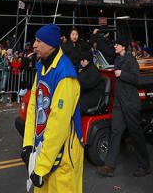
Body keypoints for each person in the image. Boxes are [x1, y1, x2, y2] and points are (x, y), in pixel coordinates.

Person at [21, 24, 83, 192]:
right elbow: (34, 107)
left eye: (38, 41)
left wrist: (41, 167)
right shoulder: (42, 66)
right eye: (35, 40)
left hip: (64, 158)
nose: (34, 45)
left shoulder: (65, 74)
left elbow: (59, 124)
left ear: (51, 45)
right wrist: (28, 144)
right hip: (44, 151)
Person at [99, 35, 151, 178]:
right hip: (119, 102)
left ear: (123, 46)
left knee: (135, 133)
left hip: (130, 102)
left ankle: (144, 166)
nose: (115, 46)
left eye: (117, 44)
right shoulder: (117, 59)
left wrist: (122, 74)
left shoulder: (130, 59)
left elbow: (136, 79)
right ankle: (109, 165)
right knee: (115, 131)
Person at [76, 48, 105, 115]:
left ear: (89, 60)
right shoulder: (83, 70)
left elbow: (89, 84)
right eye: (81, 60)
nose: (82, 62)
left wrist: (78, 83)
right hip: (85, 95)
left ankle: (76, 124)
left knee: (77, 106)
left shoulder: (94, 71)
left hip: (94, 97)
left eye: (84, 60)